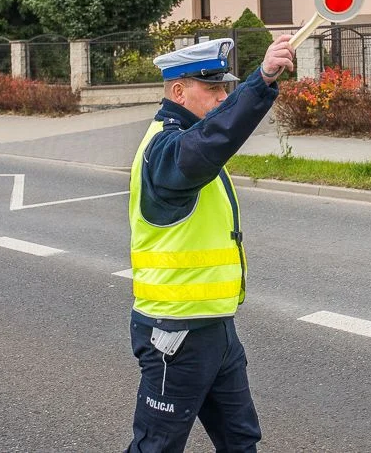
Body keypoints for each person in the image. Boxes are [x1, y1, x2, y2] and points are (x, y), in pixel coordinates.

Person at [126, 34, 295, 452]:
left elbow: (212, 138)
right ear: (179, 91)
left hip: (216, 328)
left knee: (240, 440)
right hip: (176, 333)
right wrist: (262, 81)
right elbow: (214, 140)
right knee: (156, 447)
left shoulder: (188, 139)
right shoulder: (164, 151)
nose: (223, 96)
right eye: (214, 88)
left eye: (226, 88)